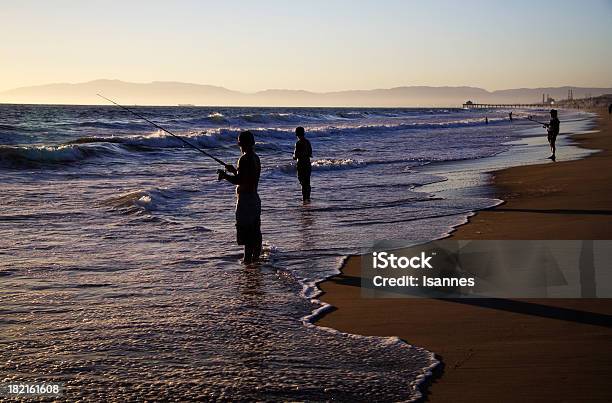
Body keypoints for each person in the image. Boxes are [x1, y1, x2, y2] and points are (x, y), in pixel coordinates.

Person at [218, 131, 262, 264]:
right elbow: (247, 176)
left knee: (247, 234)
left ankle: (248, 262)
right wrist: (234, 170)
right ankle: (256, 259)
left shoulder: (243, 159)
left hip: (245, 201)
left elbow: (239, 180)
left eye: (239, 142)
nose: (238, 144)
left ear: (241, 143)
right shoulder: (255, 158)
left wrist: (225, 176)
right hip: (254, 198)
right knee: (255, 231)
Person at [293, 126, 312, 201]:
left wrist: (294, 156)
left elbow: (295, 156)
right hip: (307, 163)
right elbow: (310, 153)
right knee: (307, 181)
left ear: (297, 133)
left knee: (302, 181)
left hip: (301, 164)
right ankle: (308, 198)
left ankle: (304, 198)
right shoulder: (308, 142)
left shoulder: (298, 143)